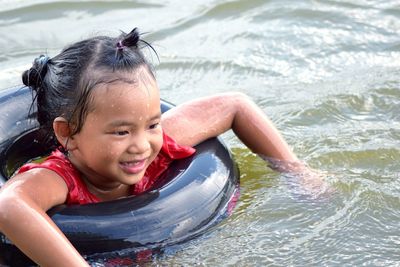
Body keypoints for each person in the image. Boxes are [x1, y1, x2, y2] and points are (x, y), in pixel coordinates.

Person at [0, 28, 325, 266]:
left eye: (152, 124)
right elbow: (8, 205)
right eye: (121, 131)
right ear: (68, 133)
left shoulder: (162, 144)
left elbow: (235, 105)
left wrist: (298, 174)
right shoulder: (59, 176)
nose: (142, 145)